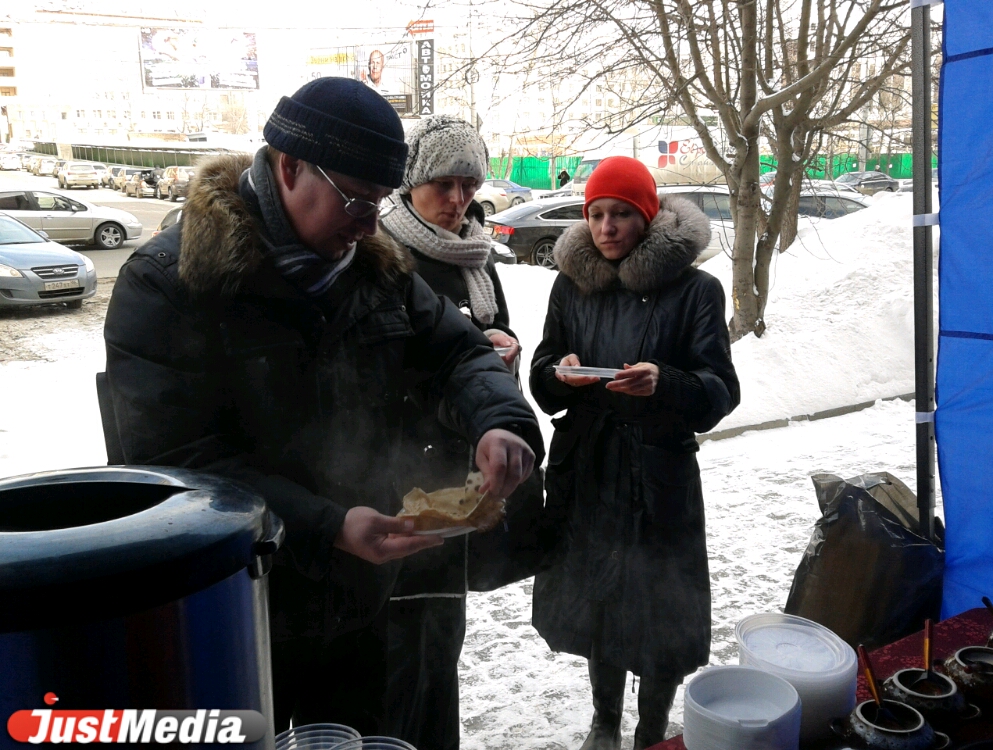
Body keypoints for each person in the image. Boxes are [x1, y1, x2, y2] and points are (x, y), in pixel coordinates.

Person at [102, 77, 544, 736]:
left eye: (380, 201)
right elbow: (173, 466)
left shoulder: (375, 271)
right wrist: (327, 525)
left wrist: (500, 423)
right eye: (356, 200)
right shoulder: (172, 284)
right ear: (289, 167)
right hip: (239, 611)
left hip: (360, 606)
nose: (370, 225)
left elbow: (463, 354)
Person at [529, 156, 739, 750]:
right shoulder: (572, 286)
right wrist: (558, 374)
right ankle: (604, 721)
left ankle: (650, 731)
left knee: (661, 610)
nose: (606, 227)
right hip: (590, 473)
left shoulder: (697, 290)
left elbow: (721, 389)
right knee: (601, 602)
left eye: (621, 213)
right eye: (595, 214)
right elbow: (543, 376)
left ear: (646, 217)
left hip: (658, 476)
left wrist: (665, 383)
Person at [380, 115, 519, 750]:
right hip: (397, 482)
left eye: (469, 184)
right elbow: (377, 375)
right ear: (411, 182)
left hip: (459, 479)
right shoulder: (382, 253)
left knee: (441, 644)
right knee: (397, 658)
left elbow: (490, 353)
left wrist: (500, 357)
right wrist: (460, 365)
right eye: (444, 184)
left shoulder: (477, 259)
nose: (459, 200)